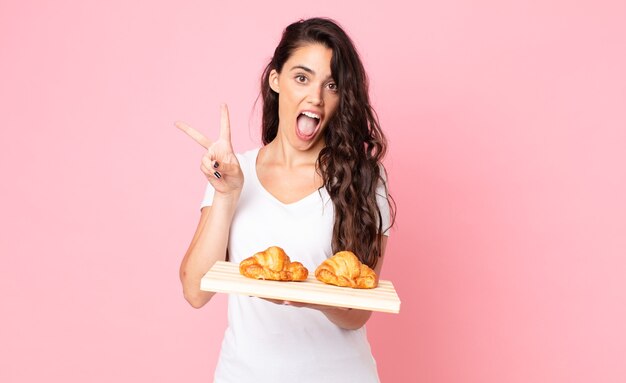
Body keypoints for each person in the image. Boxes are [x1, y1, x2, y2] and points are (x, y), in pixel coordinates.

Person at [177, 17, 395, 382]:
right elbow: (195, 291)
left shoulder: (363, 179)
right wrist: (227, 193)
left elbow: (357, 312)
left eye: (331, 84)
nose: (315, 97)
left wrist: (303, 293)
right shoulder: (235, 171)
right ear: (276, 80)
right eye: (302, 77)